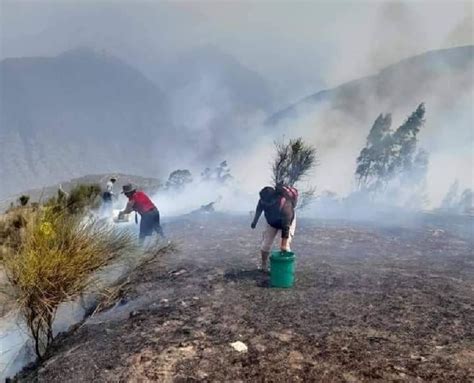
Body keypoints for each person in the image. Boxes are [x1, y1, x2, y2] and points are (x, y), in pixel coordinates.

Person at [251, 185, 297, 271]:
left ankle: (286, 270)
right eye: (263, 202)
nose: (265, 204)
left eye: (267, 202)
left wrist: (283, 244)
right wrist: (254, 222)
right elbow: (259, 210)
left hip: (287, 223)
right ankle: (263, 265)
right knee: (265, 245)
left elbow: (286, 226)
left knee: (285, 247)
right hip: (271, 223)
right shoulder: (263, 200)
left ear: (274, 199)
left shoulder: (285, 206)